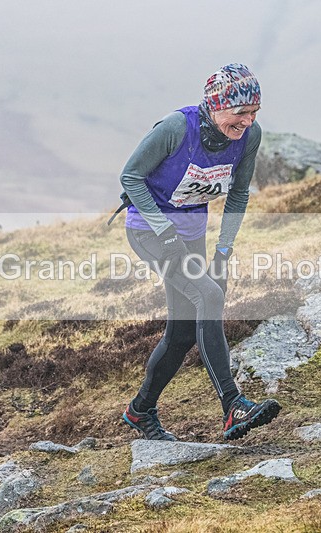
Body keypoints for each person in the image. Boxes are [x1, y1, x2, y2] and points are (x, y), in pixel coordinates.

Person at [116, 63, 280, 441]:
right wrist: (165, 232)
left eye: (254, 113)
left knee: (183, 332)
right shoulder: (176, 129)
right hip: (150, 232)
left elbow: (239, 192)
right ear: (215, 105)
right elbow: (130, 177)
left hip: (191, 234)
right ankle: (233, 405)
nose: (247, 122)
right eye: (239, 113)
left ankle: (140, 411)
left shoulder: (248, 137)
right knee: (208, 293)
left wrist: (224, 248)